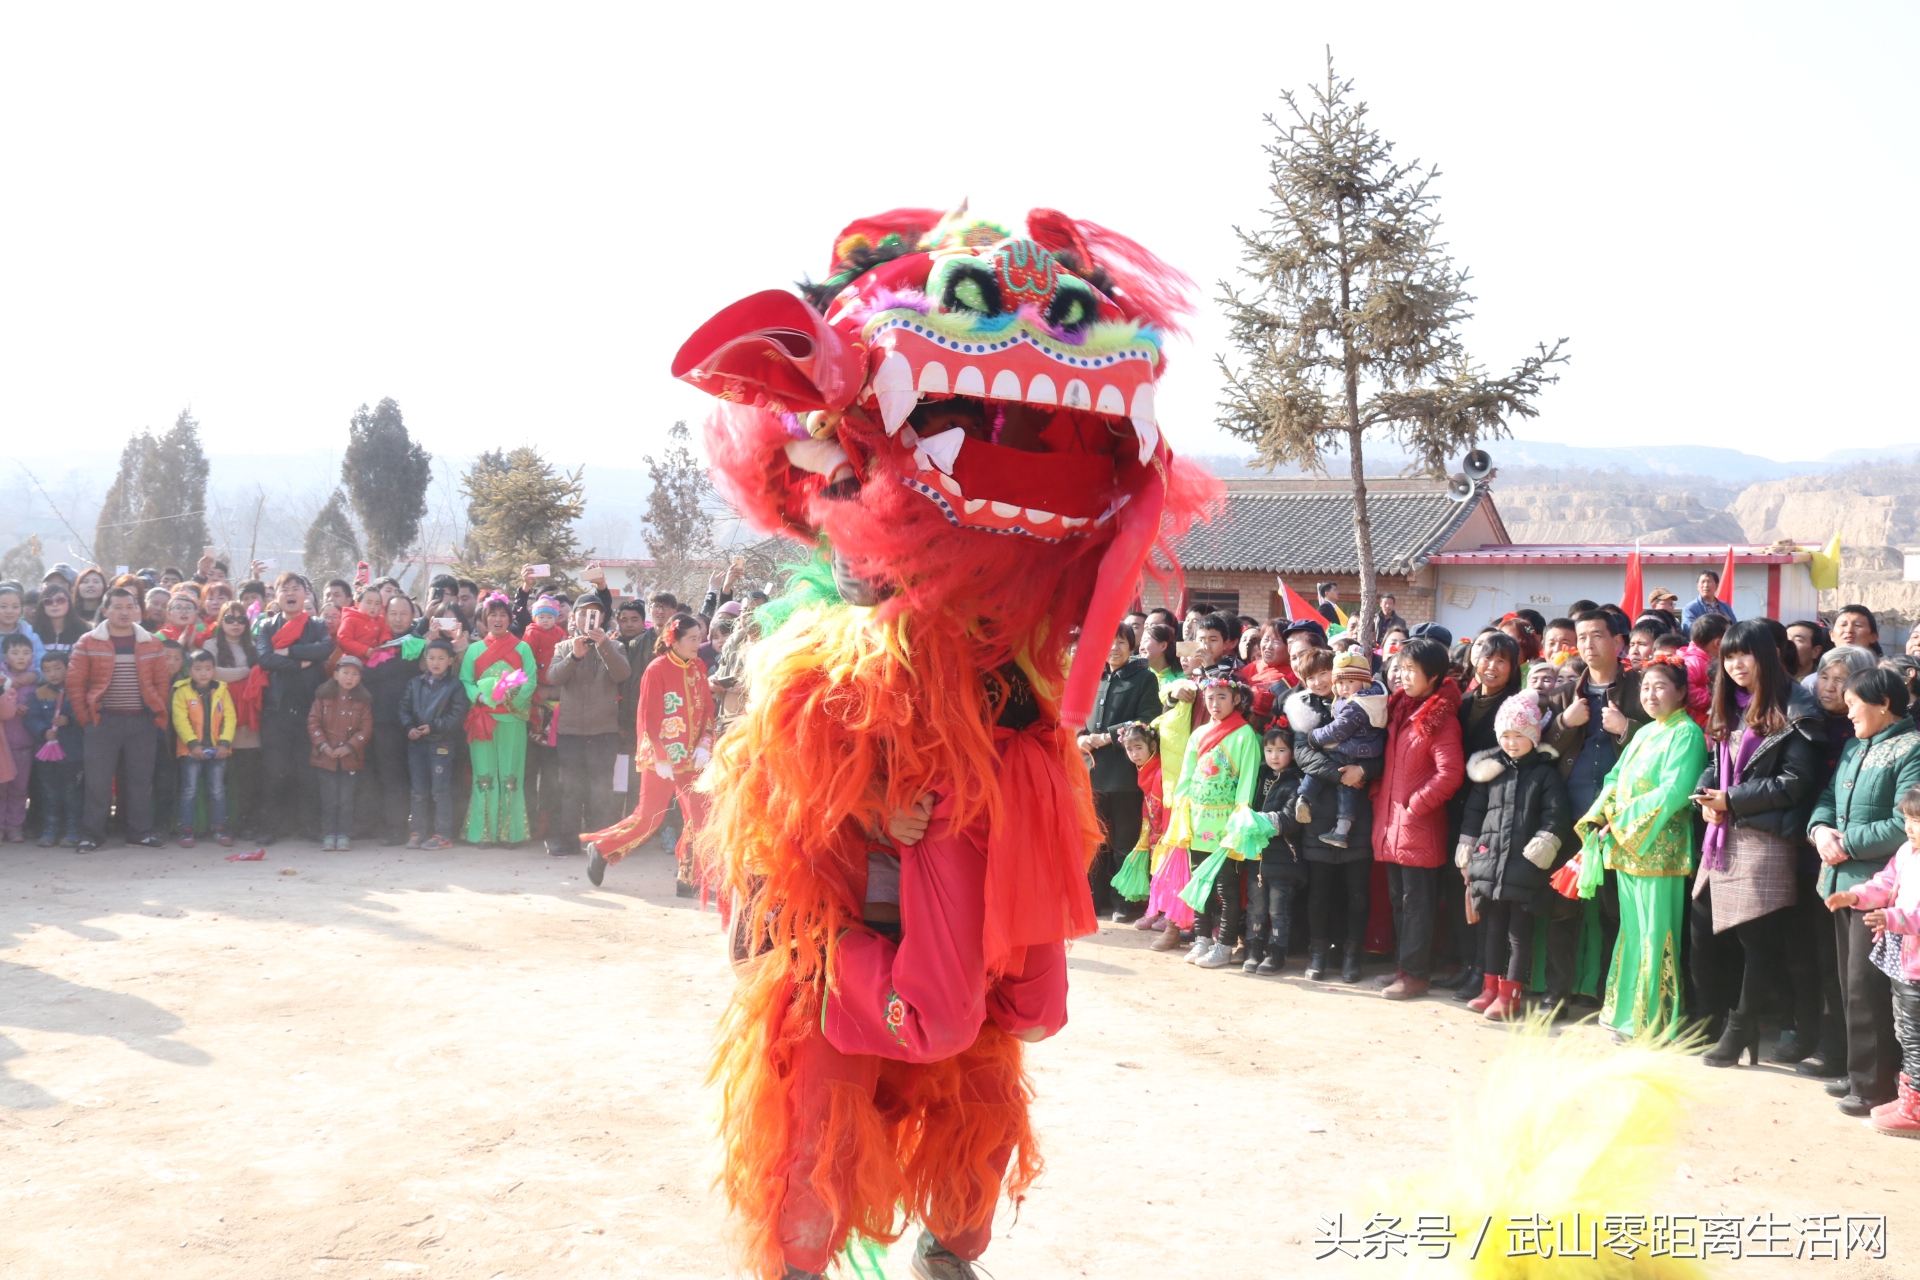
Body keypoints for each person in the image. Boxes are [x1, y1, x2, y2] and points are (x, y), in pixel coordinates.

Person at [1688, 620, 1824, 1067]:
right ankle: (1718, 1021)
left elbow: (1795, 783)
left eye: (1744, 655)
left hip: (1766, 836)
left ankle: (1741, 1028)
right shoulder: (1731, 702)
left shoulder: (1797, 706)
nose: (1736, 664)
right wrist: (1707, 795)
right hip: (1721, 834)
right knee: (1705, 933)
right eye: (1728, 656)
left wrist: (1731, 800)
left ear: (1766, 655)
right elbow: (1717, 761)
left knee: (1758, 942)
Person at [1572, 657, 1707, 1041]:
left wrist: (1621, 819)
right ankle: (1626, 1011)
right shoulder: (1647, 732)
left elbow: (1676, 792)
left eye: (1660, 686)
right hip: (1629, 847)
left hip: (1660, 851)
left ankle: (1655, 1020)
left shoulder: (1687, 734)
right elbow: (1616, 777)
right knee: (1631, 931)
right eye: (1645, 687)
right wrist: (1599, 817)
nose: (1650, 694)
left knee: (1656, 934)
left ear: (1681, 692)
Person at [1807, 665, 1920, 1115]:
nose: (1847, 711)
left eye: (1854, 703)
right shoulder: (1855, 746)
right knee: (1848, 984)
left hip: (1882, 888)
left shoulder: (1912, 748)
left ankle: (1875, 1085)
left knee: (1867, 988)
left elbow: (1904, 822)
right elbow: (1828, 799)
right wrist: (1820, 831)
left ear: (1883, 704)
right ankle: (1860, 1072)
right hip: (1841, 879)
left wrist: (1846, 844)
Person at [1456, 691, 1573, 1021]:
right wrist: (1468, 849)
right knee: (1492, 930)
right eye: (1505, 735)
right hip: (1491, 865)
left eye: (1518, 735)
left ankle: (1511, 995)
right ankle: (1490, 988)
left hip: (1524, 867)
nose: (1511, 742)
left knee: (1518, 934)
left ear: (1533, 736)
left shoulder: (1545, 774)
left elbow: (1555, 816)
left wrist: (1543, 846)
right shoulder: (1491, 772)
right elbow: (1474, 815)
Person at [583, 613, 713, 892]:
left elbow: (707, 710)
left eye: (699, 638)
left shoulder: (700, 667)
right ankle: (602, 847)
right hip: (662, 758)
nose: (697, 643)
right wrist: (659, 755)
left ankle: (689, 878)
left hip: (693, 756)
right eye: (692, 638)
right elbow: (647, 716)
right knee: (649, 818)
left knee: (701, 816)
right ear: (674, 640)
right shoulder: (657, 669)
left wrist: (706, 742)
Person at [1371, 636, 1466, 999]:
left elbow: (1451, 773)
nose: (1402, 676)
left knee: (1418, 906)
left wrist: (1415, 806)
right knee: (1401, 903)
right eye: (1401, 668)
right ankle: (1403, 967)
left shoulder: (1439, 718)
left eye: (1412, 670)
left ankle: (1416, 974)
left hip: (1418, 825)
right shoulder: (1401, 710)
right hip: (1392, 824)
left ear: (1434, 676)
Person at [1823, 788, 1920, 1138]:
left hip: (1916, 965)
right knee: (1905, 1031)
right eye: (1908, 819)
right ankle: (1909, 1098)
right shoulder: (1907, 852)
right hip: (1905, 964)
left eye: (1917, 821)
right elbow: (1885, 882)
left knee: (1916, 1037)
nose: (1909, 828)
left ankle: (1915, 1108)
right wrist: (1858, 896)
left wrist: (1892, 919)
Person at [1167, 676, 1266, 970]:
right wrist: (1181, 814)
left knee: (1226, 887)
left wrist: (1240, 819)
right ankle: (1201, 939)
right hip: (1197, 820)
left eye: (1222, 697)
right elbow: (1186, 776)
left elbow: (1247, 779)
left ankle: (1224, 944)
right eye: (1209, 698)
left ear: (1236, 700)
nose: (1214, 704)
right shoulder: (1198, 734)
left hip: (1226, 824)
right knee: (1200, 883)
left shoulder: (1244, 734)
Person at [68, 585, 170, 851]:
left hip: (141, 722)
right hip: (102, 722)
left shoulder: (152, 642)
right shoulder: (88, 641)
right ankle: (92, 835)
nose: (124, 612)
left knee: (140, 782)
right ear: (105, 611)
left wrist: (155, 715)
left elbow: (161, 682)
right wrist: (86, 720)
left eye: (130, 606)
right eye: (118, 607)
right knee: (97, 783)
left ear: (137, 609)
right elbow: (75, 684)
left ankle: (140, 833)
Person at [1077, 624, 1162, 921]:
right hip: (1091, 770)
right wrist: (1080, 735)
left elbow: (1149, 717)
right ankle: (1091, 898)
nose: (1114, 648)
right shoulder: (1090, 675)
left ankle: (1123, 902)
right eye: (1108, 642)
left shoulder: (1143, 678)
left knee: (1125, 841)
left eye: (1121, 642)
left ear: (1131, 645)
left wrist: (1109, 736)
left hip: (1126, 772)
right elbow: (1074, 712)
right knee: (1094, 839)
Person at [546, 591, 632, 858]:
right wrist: (575, 655)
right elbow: (553, 678)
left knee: (601, 791)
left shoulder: (615, 646)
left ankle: (600, 845)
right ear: (574, 617)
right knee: (572, 790)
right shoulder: (563, 647)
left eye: (594, 613)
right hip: (571, 732)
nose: (588, 618)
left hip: (604, 733)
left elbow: (622, 674)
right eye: (583, 613)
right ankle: (569, 841)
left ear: (603, 617)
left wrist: (604, 644)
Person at [253, 574, 332, 844]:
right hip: (276, 710)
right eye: (284, 589)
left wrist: (289, 652)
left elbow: (324, 649)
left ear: (305, 595)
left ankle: (309, 826)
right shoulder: (266, 626)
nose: (290, 593)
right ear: (276, 597)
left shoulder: (317, 624)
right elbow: (264, 658)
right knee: (274, 772)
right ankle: (271, 828)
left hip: (309, 709)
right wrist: (299, 663)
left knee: (307, 771)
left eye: (295, 588)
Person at [461, 594, 537, 846]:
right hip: (482, 719)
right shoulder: (473, 650)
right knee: (483, 775)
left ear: (510, 618)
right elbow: (466, 681)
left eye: (503, 614)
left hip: (512, 720)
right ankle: (484, 832)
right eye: (492, 614)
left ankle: (510, 834)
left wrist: (507, 696)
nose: (497, 619)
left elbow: (530, 681)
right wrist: (480, 696)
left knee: (511, 775)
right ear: (484, 619)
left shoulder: (523, 647)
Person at [1291, 650, 1387, 849]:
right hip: (1318, 813)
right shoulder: (1304, 708)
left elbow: (1382, 749)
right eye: (1310, 677)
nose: (1318, 682)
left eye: (1323, 673)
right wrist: (1342, 774)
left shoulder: (1360, 703)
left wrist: (1363, 770)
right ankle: (1304, 800)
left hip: (1359, 816)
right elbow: (1303, 754)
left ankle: (1339, 828)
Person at [398, 639, 469, 849]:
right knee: (418, 790)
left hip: (441, 744)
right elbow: (403, 707)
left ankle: (443, 834)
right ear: (425, 659)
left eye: (441, 658)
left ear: (450, 660)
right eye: (431, 658)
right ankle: (418, 831)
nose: (435, 663)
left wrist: (434, 727)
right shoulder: (415, 682)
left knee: (440, 791)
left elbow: (457, 715)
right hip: (417, 744)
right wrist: (408, 727)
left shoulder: (455, 686)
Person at [1246, 726, 1307, 974]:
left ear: (1292, 753)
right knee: (1256, 907)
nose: (1274, 756)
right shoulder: (1258, 776)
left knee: (1277, 910)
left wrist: (1257, 820)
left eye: (1281, 750)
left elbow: (1291, 820)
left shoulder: (1297, 781)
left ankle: (1276, 953)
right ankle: (1253, 949)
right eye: (1269, 750)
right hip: (1257, 858)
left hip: (1284, 858)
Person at [208, 601, 266, 840]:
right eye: (229, 619)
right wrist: (245, 672)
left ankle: (245, 823)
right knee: (222, 776)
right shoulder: (210, 645)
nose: (235, 624)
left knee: (247, 775)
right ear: (220, 621)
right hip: (220, 715)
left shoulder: (253, 645)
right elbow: (211, 672)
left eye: (240, 619)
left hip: (248, 716)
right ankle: (221, 824)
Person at [170, 648, 234, 847]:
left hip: (218, 750)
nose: (203, 673)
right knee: (189, 790)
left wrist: (224, 743)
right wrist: (193, 745)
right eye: (198, 669)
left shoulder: (222, 690)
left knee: (217, 790)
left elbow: (230, 718)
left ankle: (220, 828)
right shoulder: (181, 691)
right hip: (191, 751)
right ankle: (187, 830)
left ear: (214, 670)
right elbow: (180, 720)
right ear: (190, 671)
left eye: (207, 668)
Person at [308, 654, 372, 851]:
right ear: (335, 674)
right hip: (324, 758)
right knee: (329, 800)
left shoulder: (363, 701)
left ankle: (344, 834)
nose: (349, 678)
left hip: (350, 759)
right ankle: (328, 834)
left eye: (354, 674)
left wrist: (349, 747)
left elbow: (366, 729)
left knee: (346, 800)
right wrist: (324, 746)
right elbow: (313, 723)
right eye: (345, 673)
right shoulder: (323, 697)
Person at [1110, 721, 1170, 927]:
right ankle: (1154, 910)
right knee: (1154, 867)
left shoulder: (1160, 770)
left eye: (1139, 748)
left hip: (1165, 827)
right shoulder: (1143, 769)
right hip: (1152, 826)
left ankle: (1166, 913)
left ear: (1152, 747)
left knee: (1165, 868)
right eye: (1129, 749)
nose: (1134, 754)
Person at [24, 651, 81, 846]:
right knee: (49, 793)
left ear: (68, 668)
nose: (53, 674)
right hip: (46, 755)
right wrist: (43, 731)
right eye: (47, 670)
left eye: (57, 668)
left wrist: (69, 720)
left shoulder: (77, 691)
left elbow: (85, 716)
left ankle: (73, 831)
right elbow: (31, 718)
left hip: (72, 753)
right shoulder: (39, 693)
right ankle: (50, 830)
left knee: (72, 792)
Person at [0, 635, 35, 840]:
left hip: (24, 745)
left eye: (25, 653)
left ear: (32, 656)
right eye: (15, 653)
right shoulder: (1, 680)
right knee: (1, 788)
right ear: (5, 656)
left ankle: (15, 827)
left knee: (19, 789)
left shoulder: (34, 683)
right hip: (2, 746)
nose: (20, 657)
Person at [31, 587, 85, 664]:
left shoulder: (83, 631)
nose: (55, 604)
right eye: (48, 601)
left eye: (60, 600)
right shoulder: (34, 633)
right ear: (42, 606)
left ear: (69, 602)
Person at [0, 585, 46, 673]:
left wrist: (35, 675)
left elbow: (44, 665)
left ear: (22, 609)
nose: (9, 611)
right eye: (3, 606)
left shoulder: (31, 636)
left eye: (15, 607)